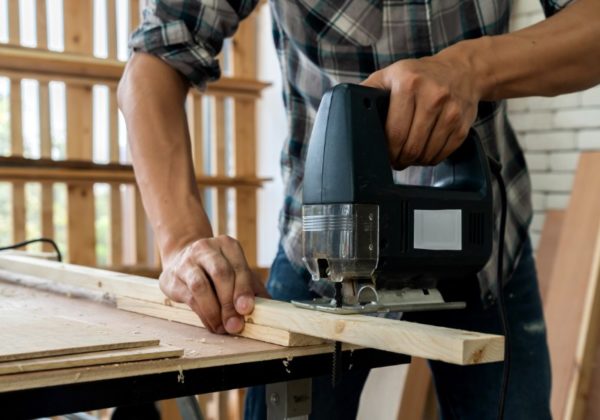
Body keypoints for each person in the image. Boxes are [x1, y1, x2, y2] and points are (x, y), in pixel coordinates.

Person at [118, 0, 600, 418]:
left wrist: (469, 70)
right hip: (322, 258)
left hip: (488, 247)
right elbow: (154, 61)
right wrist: (183, 242)